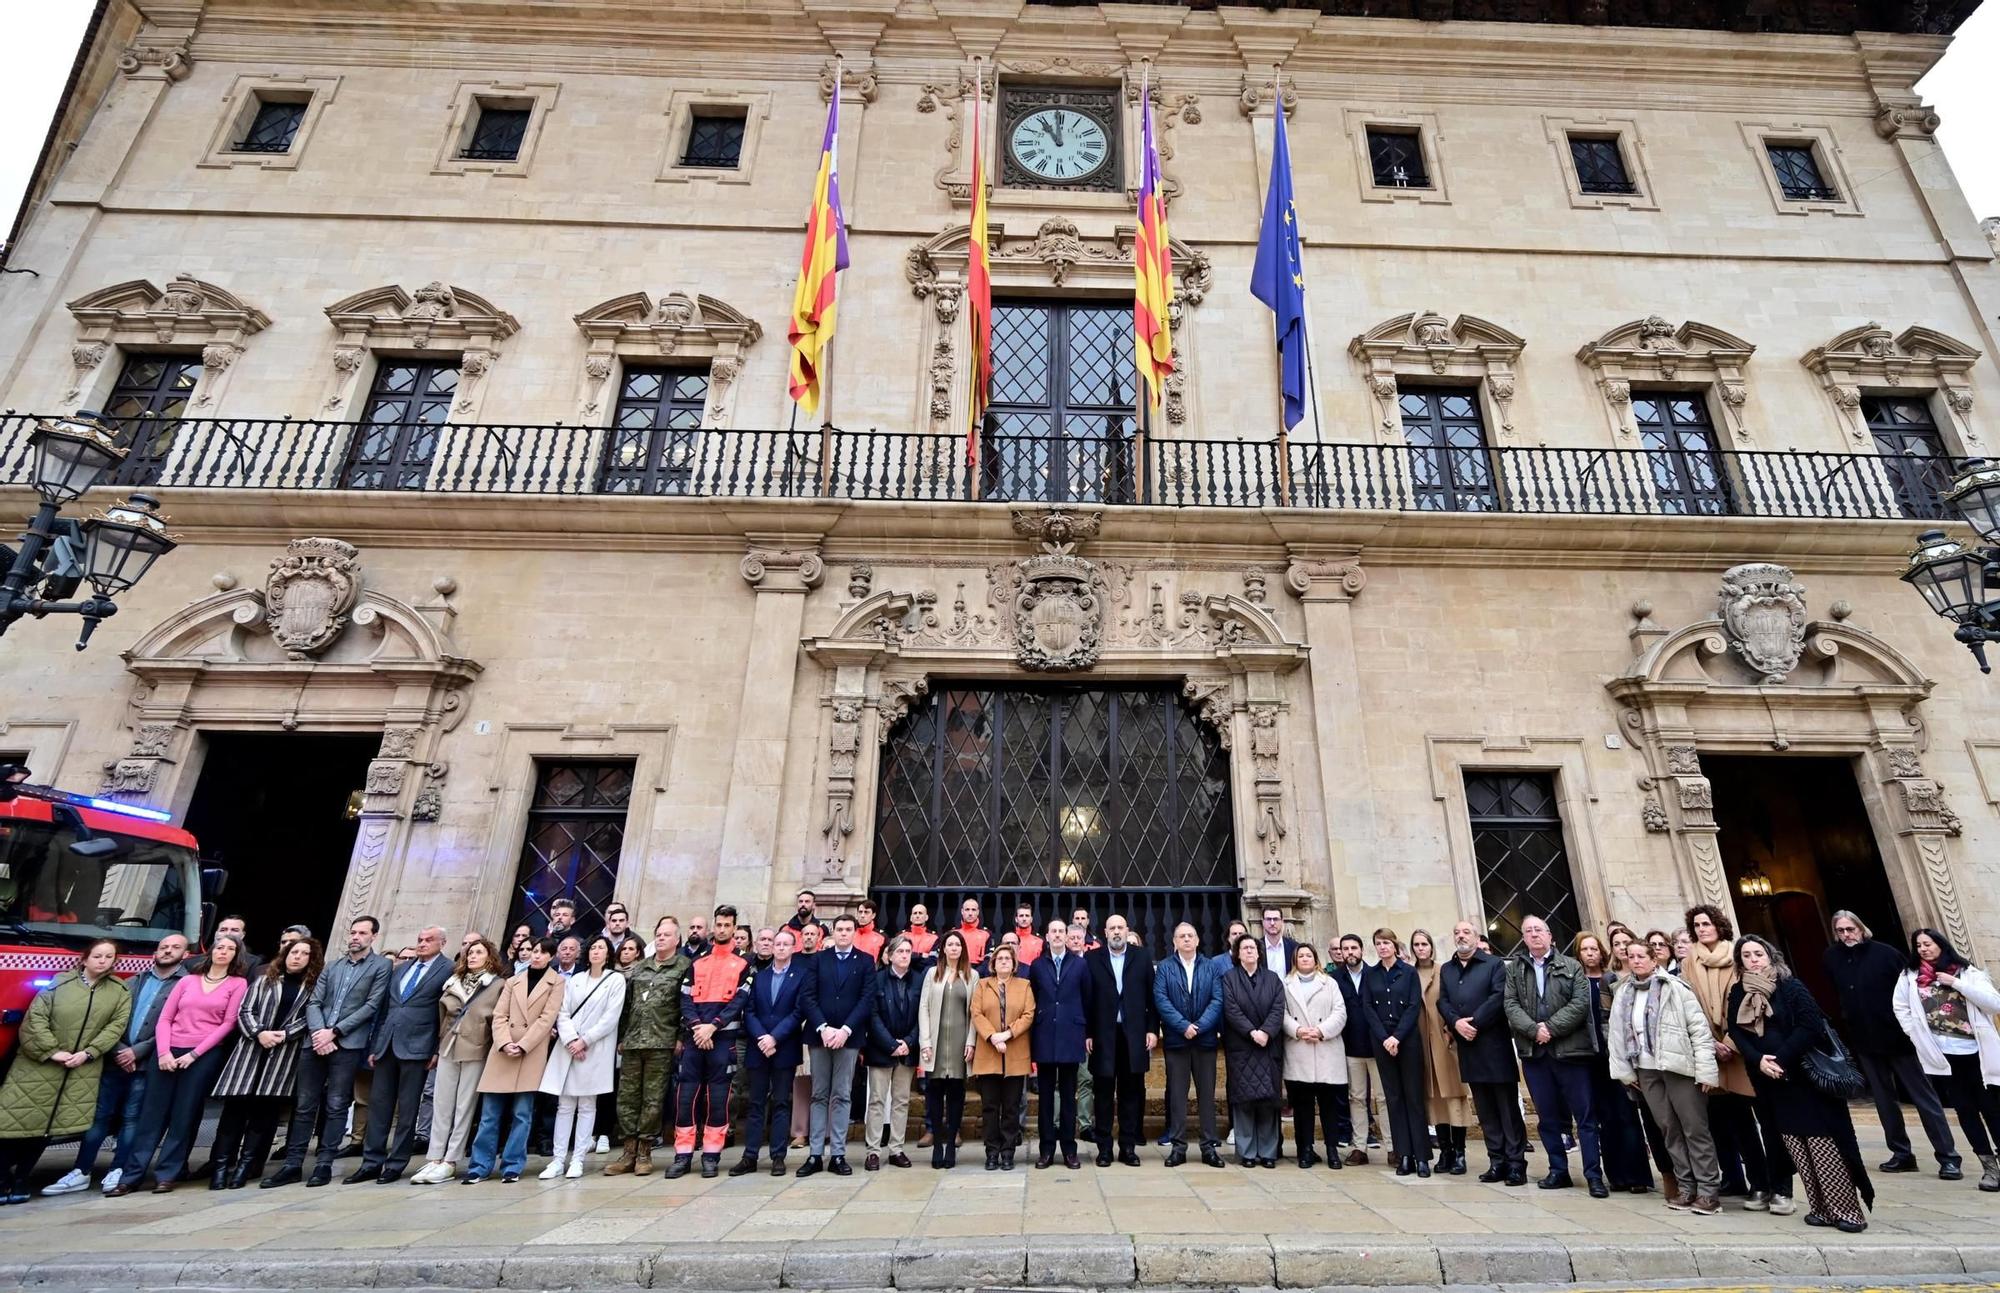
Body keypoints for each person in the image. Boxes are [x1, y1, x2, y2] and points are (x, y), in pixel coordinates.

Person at [1727, 935, 1873, 1230]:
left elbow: (1810, 1026)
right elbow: (1736, 1030)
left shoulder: (1790, 986)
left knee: (1822, 1143)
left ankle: (1847, 1212)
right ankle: (1820, 1208)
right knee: (1796, 1144)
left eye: (1758, 953)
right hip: (1770, 1081)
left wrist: (1779, 1059)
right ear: (1740, 962)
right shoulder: (1738, 992)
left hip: (1803, 1077)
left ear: (1770, 956)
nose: (1754, 959)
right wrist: (1758, 1061)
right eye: (1747, 955)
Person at [49, 932, 186, 1197]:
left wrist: (137, 1052)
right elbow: (111, 1020)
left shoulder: (185, 984)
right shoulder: (131, 981)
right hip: (114, 1059)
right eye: (163, 947)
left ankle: (119, 1168)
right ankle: (81, 1170)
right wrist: (119, 1049)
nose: (168, 951)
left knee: (132, 1119)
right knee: (98, 1116)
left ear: (185, 953)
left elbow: (177, 1024)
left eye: (175, 947)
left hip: (146, 1063)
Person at [1824, 911, 1959, 1178]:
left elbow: (1912, 991)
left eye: (1850, 929)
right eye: (1840, 931)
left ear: (1861, 928)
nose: (1846, 935)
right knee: (1884, 1100)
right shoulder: (1832, 957)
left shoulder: (1886, 954)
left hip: (1899, 1038)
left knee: (1923, 1097)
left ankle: (1948, 1156)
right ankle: (1901, 1153)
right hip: (1863, 1038)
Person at [0, 939, 131, 1205]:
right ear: (84, 959)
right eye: (97, 956)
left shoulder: (119, 991)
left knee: (47, 1128)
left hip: (81, 1070)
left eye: (108, 957)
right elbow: (35, 1019)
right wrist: (52, 1051)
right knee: (15, 1124)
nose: (102, 961)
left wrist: (89, 1052)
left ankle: (23, 1179)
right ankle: (3, 1179)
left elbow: (116, 1027)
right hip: (38, 1066)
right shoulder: (58, 983)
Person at [266, 915, 391, 1189]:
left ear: (373, 937)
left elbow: (372, 1005)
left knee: (336, 1104)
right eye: (353, 932)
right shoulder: (331, 967)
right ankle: (292, 1164)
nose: (355, 937)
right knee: (304, 1104)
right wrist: (319, 1032)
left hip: (346, 1044)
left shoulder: (381, 966)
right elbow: (314, 1002)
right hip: (316, 1042)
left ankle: (324, 1163)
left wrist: (335, 1032)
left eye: (362, 933)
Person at [120, 932, 248, 1194]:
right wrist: (164, 1052)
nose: (223, 952)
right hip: (168, 1050)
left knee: (184, 1115)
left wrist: (194, 1054)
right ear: (210, 951)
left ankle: (168, 1172)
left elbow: (228, 1023)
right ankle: (131, 1174)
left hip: (202, 1054)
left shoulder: (237, 984)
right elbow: (165, 1018)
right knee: (151, 1115)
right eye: (219, 947)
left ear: (237, 955)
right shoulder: (187, 981)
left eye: (230, 949)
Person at [1682, 904, 1787, 1210]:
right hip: (1711, 1049)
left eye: (1707, 923)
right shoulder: (1690, 961)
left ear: (1719, 925)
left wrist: (1730, 1041)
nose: (1703, 928)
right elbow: (1690, 1002)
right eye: (1697, 925)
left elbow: (1746, 1003)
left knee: (1765, 1121)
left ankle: (1778, 1184)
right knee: (1736, 1123)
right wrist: (1711, 1043)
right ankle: (1755, 1182)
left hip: (1746, 1048)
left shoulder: (1738, 955)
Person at [1608, 938, 1722, 1215]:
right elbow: (1617, 1033)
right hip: (1646, 1069)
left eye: (1641, 956)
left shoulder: (1675, 987)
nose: (1635, 961)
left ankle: (1708, 1190)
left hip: (1678, 1067)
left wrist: (1707, 1070)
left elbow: (1698, 1029)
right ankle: (1686, 1187)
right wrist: (1624, 1072)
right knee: (1669, 1129)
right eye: (1631, 956)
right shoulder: (1624, 992)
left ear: (1653, 959)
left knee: (1694, 1128)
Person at [208, 935, 322, 1190]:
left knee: (262, 1115)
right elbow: (245, 1010)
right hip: (250, 1051)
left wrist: (284, 1035)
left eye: (304, 953)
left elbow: (309, 1017)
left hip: (281, 1056)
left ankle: (244, 1169)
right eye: (294, 952)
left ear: (311, 959)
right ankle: (220, 1167)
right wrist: (259, 1032)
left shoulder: (312, 988)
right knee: (233, 1113)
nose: (297, 957)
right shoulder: (264, 980)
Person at [1891, 928, 2000, 1193]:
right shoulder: (1910, 977)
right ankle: (1989, 1166)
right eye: (1918, 946)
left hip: (1975, 1051)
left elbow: (1994, 1004)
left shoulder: (1966, 972)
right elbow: (1901, 1006)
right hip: (1942, 1054)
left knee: (1992, 1108)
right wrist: (1913, 1032)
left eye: (1928, 944)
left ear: (1941, 944)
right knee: (1964, 1110)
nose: (1923, 949)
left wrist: (1956, 983)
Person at [1504, 915, 1603, 1194]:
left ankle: (1593, 1174)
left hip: (1570, 1051)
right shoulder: (1515, 970)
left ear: (1549, 936)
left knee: (1584, 1116)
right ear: (1523, 938)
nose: (1534, 935)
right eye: (1528, 931)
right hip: (1536, 1054)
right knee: (1547, 1118)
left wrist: (1551, 1027)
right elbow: (1510, 1004)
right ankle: (1558, 1170)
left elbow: (1580, 1003)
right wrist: (1535, 1030)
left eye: (1539, 930)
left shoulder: (1572, 966)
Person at [352, 923, 453, 1184]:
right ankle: (371, 1162)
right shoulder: (401, 969)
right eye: (420, 939)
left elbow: (443, 1015)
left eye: (429, 939)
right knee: (379, 1106)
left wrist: (435, 1049)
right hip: (388, 1045)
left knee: (408, 1110)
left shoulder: (448, 970)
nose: (422, 943)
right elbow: (385, 1010)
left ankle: (396, 1163)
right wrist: (376, 1046)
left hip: (419, 1047)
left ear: (442, 943)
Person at [464, 937, 562, 1184]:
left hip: (530, 1052)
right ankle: (479, 1165)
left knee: (522, 1113)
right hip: (503, 1051)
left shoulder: (556, 982)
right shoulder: (513, 981)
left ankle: (512, 1164)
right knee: (489, 1114)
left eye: (541, 952)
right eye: (532, 951)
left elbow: (547, 1018)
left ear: (551, 956)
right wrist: (505, 1042)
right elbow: (499, 1015)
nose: (535, 955)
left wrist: (524, 1044)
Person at [1437, 919, 1523, 1183]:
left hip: (1493, 1045)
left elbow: (1498, 997)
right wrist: (1455, 1023)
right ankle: (1496, 1161)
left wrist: (1472, 1023)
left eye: (1466, 932)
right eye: (1456, 932)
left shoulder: (1494, 964)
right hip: (1469, 1047)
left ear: (1476, 937)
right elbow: (1444, 1001)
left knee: (1506, 1108)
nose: (1461, 936)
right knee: (1485, 1110)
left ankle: (1516, 1163)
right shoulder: (1448, 969)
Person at [411, 936, 502, 1184]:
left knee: (464, 1106)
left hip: (475, 1047)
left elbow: (494, 1018)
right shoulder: (453, 982)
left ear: (489, 957)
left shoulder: (496, 985)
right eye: (470, 952)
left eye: (479, 952)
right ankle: (435, 1157)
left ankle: (451, 1159)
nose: (472, 956)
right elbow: (441, 1015)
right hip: (449, 1045)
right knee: (441, 1102)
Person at [670, 906, 751, 1179]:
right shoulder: (696, 961)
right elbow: (684, 998)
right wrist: (697, 1028)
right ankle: (682, 1155)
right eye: (719, 924)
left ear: (735, 927)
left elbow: (739, 1001)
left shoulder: (743, 963)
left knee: (718, 1100)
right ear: (713, 927)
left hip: (722, 1039)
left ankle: (711, 1155)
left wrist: (712, 1027)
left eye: (727, 925)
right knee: (685, 1098)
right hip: (695, 1040)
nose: (722, 929)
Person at [537, 934, 625, 1179]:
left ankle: (578, 1159)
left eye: (601, 948)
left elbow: (610, 1016)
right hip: (569, 1047)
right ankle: (557, 1159)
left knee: (587, 1105)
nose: (596, 951)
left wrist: (584, 1040)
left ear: (608, 953)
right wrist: (570, 1040)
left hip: (594, 1048)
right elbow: (562, 1012)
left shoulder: (615, 980)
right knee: (564, 1105)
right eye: (593, 947)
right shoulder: (575, 980)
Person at [610, 916, 690, 1177]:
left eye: (667, 935)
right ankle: (628, 1151)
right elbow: (628, 1005)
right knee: (627, 1097)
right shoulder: (641, 967)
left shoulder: (683, 967)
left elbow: (685, 1007)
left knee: (653, 1099)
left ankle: (645, 1151)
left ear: (677, 939)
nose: (661, 938)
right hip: (633, 1041)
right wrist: (622, 1037)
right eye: (659, 934)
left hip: (661, 1041)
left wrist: (680, 1037)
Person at [1578, 932, 1654, 1194]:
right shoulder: (1576, 982)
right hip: (1590, 1057)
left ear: (1601, 952)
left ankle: (1637, 1175)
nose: (1590, 953)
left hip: (1617, 1053)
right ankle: (1617, 1176)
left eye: (1594, 949)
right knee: (1604, 1117)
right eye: (1584, 949)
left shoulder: (1612, 980)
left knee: (1626, 1113)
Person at [798, 912, 873, 1178]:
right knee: (819, 1094)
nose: (843, 933)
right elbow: (807, 996)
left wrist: (845, 1030)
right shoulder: (819, 960)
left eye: (848, 929)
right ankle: (815, 1153)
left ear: (854, 932)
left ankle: (838, 1153)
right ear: (832, 932)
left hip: (849, 1037)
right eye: (839, 929)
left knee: (841, 1094)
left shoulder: (865, 961)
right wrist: (823, 1027)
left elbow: (866, 999)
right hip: (820, 1036)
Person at [735, 926, 805, 1177]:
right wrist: (762, 1037)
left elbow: (799, 1012)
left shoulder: (800, 976)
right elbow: (749, 1011)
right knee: (755, 1103)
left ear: (793, 948)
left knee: (781, 1102)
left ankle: (778, 1155)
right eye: (778, 944)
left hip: (783, 1047)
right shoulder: (759, 977)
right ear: (771, 947)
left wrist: (774, 1037)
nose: (781, 948)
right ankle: (750, 1155)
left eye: (787, 944)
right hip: (758, 1047)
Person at [1154, 922, 1225, 1168]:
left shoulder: (1211, 967)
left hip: (1205, 1041)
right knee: (1177, 1096)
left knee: (1207, 1095)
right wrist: (1183, 1025)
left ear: (1197, 940)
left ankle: (1209, 1147)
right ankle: (1178, 1147)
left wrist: (1200, 1026)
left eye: (1190, 936)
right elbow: (1161, 999)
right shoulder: (1164, 968)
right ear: (1174, 942)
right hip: (1177, 1040)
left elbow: (1217, 999)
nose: (1186, 939)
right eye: (1181, 936)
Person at [1085, 915, 1155, 1166]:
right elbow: (1087, 1000)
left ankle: (1128, 1147)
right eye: (1112, 928)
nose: (1116, 932)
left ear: (1127, 931)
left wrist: (1152, 1029)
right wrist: (1088, 1033)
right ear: (1105, 932)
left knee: (1130, 1094)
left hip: (1133, 1036)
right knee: (1102, 1094)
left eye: (1120, 928)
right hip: (1103, 1036)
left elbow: (1151, 997)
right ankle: (1104, 1149)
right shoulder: (1092, 959)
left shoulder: (1142, 957)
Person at [1362, 929, 1429, 1177]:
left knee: (1413, 1097)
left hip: (1406, 1040)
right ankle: (1404, 1155)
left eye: (1386, 943)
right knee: (1394, 1099)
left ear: (1394, 945)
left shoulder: (1409, 972)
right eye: (1378, 943)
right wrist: (1384, 1037)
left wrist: (1397, 1037)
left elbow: (1413, 1006)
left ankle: (1421, 1156)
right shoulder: (1371, 975)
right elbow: (1367, 1007)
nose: (1382, 947)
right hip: (1382, 1041)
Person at [1410, 929, 1473, 1175]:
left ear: (1431, 946)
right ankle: (1445, 1151)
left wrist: (1451, 1028)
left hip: (1445, 1042)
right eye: (1416, 944)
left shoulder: (1444, 970)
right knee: (1434, 1100)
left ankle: (1459, 1152)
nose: (1420, 948)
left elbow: (1453, 1000)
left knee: (1454, 1097)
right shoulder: (1410, 973)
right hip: (1423, 1044)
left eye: (1424, 943)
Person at [1028, 918, 1089, 1169]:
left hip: (1070, 1036)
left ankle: (1069, 1150)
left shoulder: (1080, 964)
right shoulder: (1037, 965)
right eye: (1052, 931)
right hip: (1044, 1036)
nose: (1057, 935)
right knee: (1044, 1099)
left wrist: (1086, 1032)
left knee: (1067, 1096)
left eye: (1061, 931)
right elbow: (1033, 996)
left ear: (1067, 935)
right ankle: (1046, 1150)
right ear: (1047, 936)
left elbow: (1087, 998)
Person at [1281, 942, 1346, 1170]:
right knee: (1302, 1107)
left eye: (1309, 955)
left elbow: (1339, 1012)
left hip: (1325, 1048)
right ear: (1295, 960)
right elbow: (1283, 1014)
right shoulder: (1286, 984)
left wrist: (1321, 1031)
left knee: (1329, 1105)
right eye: (1301, 956)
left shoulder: (1330, 983)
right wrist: (1298, 1030)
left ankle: (1331, 1149)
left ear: (1315, 959)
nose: (1305, 959)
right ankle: (1305, 1150)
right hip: (1300, 1049)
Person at [1222, 934, 1284, 1168]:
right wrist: (1251, 1032)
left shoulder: (1272, 979)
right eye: (1244, 948)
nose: (1249, 951)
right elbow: (1231, 1009)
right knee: (1244, 1101)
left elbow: (1278, 1008)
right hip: (1242, 1045)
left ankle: (1268, 1152)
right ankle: (1247, 1152)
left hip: (1268, 1046)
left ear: (1259, 953)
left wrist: (1266, 1032)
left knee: (1268, 1101)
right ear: (1237, 954)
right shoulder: (1229, 979)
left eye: (1252, 948)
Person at [971, 943, 1034, 1171]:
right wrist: (993, 1037)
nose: (1004, 962)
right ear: (993, 964)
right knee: (990, 1107)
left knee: (1011, 1107)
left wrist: (1008, 1034)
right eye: (1000, 959)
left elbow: (1029, 1014)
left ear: (1014, 963)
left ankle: (1008, 1152)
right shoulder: (982, 985)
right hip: (989, 1052)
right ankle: (991, 1151)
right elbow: (976, 1013)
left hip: (1015, 1052)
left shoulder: (1024, 985)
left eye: (1008, 958)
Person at [918, 929, 977, 1170]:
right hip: (936, 1042)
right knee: (934, 1094)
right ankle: (937, 1145)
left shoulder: (971, 976)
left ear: (963, 949)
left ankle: (951, 1142)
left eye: (957, 945)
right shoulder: (933, 973)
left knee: (956, 1094)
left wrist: (971, 1041)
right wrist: (926, 1042)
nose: (953, 948)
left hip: (960, 1044)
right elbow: (924, 1008)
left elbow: (975, 1012)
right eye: (950, 944)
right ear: (942, 948)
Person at [862, 935, 922, 1169]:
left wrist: (908, 1042)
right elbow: (872, 1016)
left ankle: (896, 1149)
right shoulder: (876, 981)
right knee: (877, 1100)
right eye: (900, 952)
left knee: (901, 1101)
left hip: (907, 1049)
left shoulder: (918, 980)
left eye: (908, 951)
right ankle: (873, 1150)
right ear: (889, 956)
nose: (904, 956)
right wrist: (890, 1044)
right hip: (881, 1049)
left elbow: (922, 1015)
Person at [1332, 933, 1379, 1162]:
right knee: (1357, 1098)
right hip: (1350, 1047)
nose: (1350, 952)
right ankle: (1359, 1146)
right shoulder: (1335, 979)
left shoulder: (1376, 975)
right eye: (1345, 949)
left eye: (1354, 948)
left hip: (1377, 1046)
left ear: (1362, 950)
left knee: (1383, 1099)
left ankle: (1392, 1146)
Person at [191, 916, 266, 979]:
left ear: (243, 935)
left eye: (234, 930)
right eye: (223, 930)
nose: (228, 933)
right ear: (216, 933)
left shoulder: (253, 963)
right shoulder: (192, 962)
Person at [1259, 908, 1299, 980]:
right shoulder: (1256, 947)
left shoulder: (1294, 947)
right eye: (1268, 919)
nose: (1272, 923)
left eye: (1276, 919)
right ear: (1263, 922)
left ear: (1282, 921)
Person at [954, 899, 991, 967]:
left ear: (978, 912)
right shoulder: (953, 933)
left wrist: (978, 972)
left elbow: (989, 957)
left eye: (973, 910)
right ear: (962, 911)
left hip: (979, 971)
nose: (970, 913)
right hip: (957, 968)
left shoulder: (986, 933)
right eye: (967, 909)